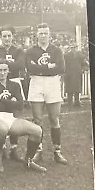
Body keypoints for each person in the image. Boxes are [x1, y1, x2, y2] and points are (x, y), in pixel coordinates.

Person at [0, 59, 47, 173]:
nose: (2, 73)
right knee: (2, 129)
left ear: (8, 70)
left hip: (9, 117)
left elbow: (20, 105)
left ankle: (29, 161)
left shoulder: (14, 85)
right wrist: (10, 101)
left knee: (37, 130)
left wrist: (1, 100)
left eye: (4, 70)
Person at [25, 23, 67, 164]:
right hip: (36, 82)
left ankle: (57, 151)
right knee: (37, 120)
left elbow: (61, 67)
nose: (43, 36)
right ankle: (39, 150)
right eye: (41, 33)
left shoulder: (56, 50)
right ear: (37, 34)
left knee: (54, 119)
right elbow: (30, 67)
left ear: (50, 34)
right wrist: (48, 66)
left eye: (45, 33)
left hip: (52, 83)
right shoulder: (31, 51)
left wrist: (40, 68)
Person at [0, 26, 26, 162]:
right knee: (0, 112)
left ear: (13, 36)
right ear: (0, 37)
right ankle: (2, 147)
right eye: (4, 36)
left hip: (14, 81)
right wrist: (10, 65)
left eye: (9, 36)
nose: (7, 38)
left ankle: (14, 149)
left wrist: (4, 65)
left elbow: (21, 65)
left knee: (15, 114)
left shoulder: (19, 50)